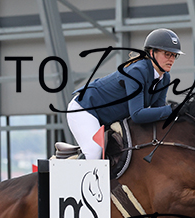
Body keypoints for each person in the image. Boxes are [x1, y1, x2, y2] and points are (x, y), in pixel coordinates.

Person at [67, 28, 183, 159]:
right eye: (167, 54)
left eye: (174, 55)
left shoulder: (164, 77)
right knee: (94, 151)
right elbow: (137, 114)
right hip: (85, 109)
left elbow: (158, 111)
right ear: (152, 52)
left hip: (106, 118)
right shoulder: (137, 71)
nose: (171, 59)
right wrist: (172, 109)